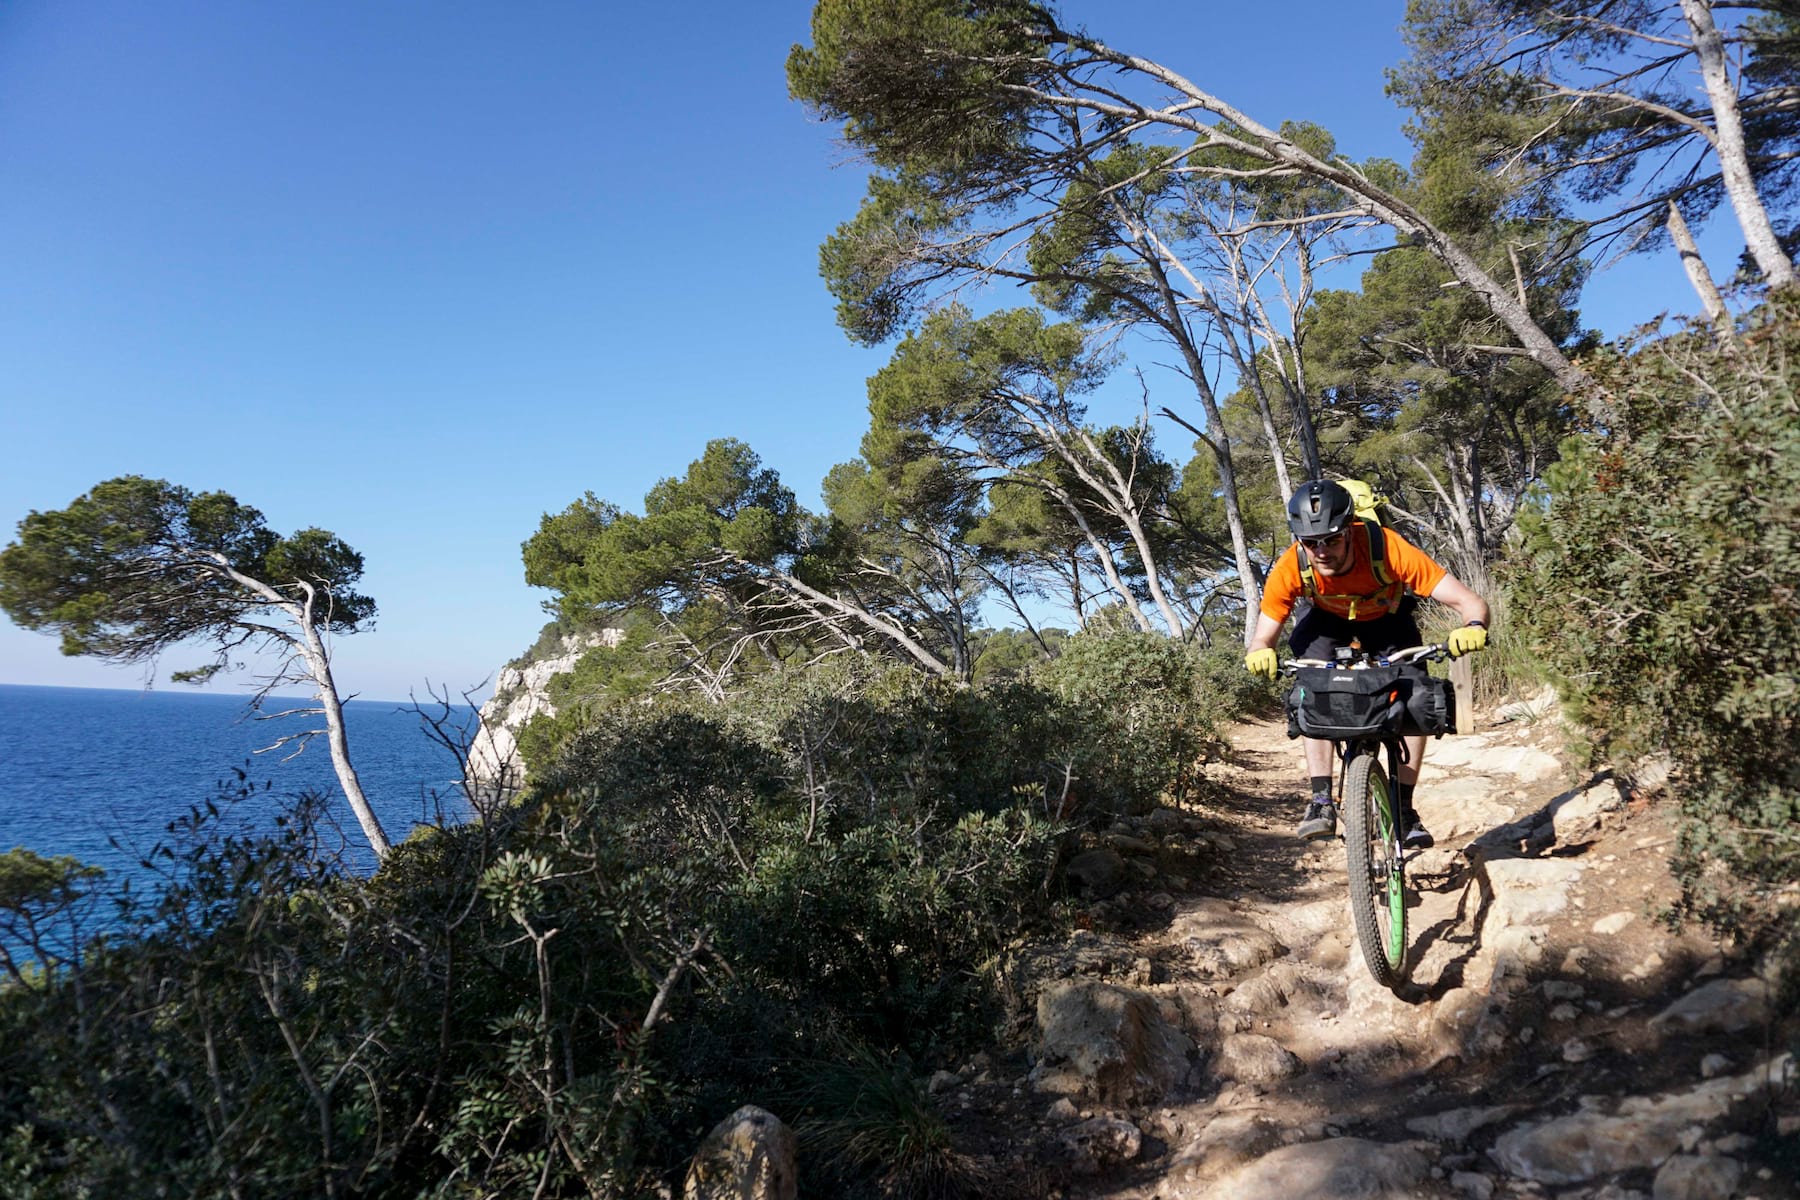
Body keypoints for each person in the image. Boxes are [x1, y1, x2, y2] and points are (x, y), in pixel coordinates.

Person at [1245, 480, 1489, 847]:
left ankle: (1404, 809)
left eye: (1331, 539)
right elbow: (1263, 636)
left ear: (1350, 529)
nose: (1321, 551)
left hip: (1386, 617)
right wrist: (1261, 650)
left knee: (1416, 697)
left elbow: (1470, 602)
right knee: (1312, 689)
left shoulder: (1387, 547)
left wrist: (1473, 626)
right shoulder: (1293, 563)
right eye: (1311, 542)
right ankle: (1321, 801)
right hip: (1325, 621)